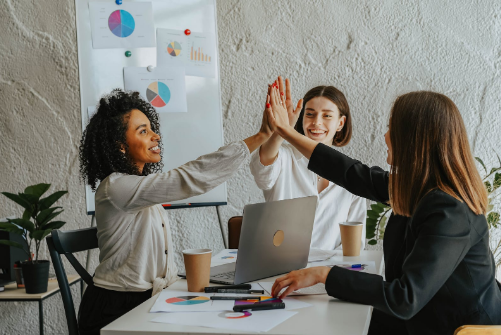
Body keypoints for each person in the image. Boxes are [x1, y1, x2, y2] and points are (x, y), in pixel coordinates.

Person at [265, 86, 501, 335]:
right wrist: (286, 132)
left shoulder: (450, 211)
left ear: (413, 140)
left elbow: (404, 298)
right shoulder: (417, 189)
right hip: (425, 316)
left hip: (457, 328)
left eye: (392, 129)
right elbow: (350, 172)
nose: (386, 136)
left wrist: (325, 275)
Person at [77, 89, 273, 335]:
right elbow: (188, 179)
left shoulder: (138, 188)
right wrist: (261, 136)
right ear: (120, 146)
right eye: (143, 131)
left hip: (148, 300)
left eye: (151, 128)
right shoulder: (116, 187)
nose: (156, 136)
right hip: (115, 309)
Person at [250, 77, 366, 250]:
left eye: (327, 115)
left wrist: (327, 273)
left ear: (340, 123)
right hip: (280, 268)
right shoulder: (283, 156)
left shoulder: (352, 173)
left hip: (327, 272)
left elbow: (354, 243)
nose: (316, 122)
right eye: (310, 114)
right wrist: (282, 130)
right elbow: (262, 172)